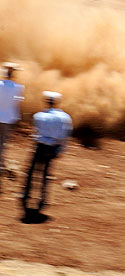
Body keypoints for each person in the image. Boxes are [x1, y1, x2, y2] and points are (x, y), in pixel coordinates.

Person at [22, 91, 72, 222]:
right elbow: (65, 136)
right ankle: (43, 200)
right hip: (52, 148)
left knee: (31, 173)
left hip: (40, 147)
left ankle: (25, 196)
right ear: (57, 102)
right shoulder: (65, 117)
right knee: (46, 174)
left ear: (46, 102)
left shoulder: (39, 116)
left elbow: (36, 133)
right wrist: (61, 150)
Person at [0, 62, 24, 182]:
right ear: (13, 74)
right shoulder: (18, 87)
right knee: (2, 142)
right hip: (8, 118)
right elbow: (16, 103)